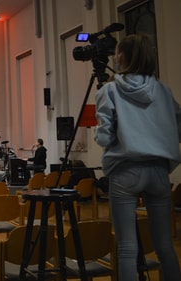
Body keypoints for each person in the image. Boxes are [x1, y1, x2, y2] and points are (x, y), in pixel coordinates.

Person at [95, 34, 181, 281]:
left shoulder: (109, 90)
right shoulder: (164, 90)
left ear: (122, 57)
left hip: (126, 171)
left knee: (127, 247)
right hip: (158, 171)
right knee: (165, 244)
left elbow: (104, 137)